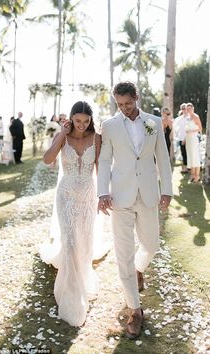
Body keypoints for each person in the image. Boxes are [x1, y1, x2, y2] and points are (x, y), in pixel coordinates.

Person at [97, 81, 172, 339]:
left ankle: (139, 269)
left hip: (149, 193)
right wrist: (102, 192)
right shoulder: (109, 126)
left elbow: (162, 157)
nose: (125, 109)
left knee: (151, 245)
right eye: (120, 105)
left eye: (128, 103)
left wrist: (167, 189)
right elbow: (105, 159)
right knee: (123, 254)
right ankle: (135, 310)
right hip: (120, 195)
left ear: (136, 98)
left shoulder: (153, 121)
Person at [40, 101, 105, 327]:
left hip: (88, 195)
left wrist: (103, 196)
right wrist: (61, 135)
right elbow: (47, 159)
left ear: (90, 120)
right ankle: (70, 296)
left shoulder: (96, 138)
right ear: (71, 118)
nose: (81, 125)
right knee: (69, 241)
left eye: (85, 121)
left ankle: (82, 277)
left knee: (84, 242)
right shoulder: (64, 137)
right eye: (77, 120)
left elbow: (99, 168)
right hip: (66, 195)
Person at [185, 102, 202, 183]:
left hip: (194, 139)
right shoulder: (188, 117)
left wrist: (191, 131)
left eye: (190, 108)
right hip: (188, 139)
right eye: (187, 109)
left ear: (193, 108)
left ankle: (197, 176)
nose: (188, 110)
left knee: (195, 157)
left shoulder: (195, 116)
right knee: (190, 156)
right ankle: (192, 175)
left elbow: (200, 128)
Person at [173, 103, 189, 174]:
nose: (184, 110)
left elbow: (189, 129)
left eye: (184, 108)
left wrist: (185, 139)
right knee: (183, 154)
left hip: (188, 139)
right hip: (181, 138)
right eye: (182, 108)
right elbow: (175, 128)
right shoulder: (179, 119)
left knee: (189, 153)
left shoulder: (189, 118)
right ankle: (185, 168)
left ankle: (189, 168)